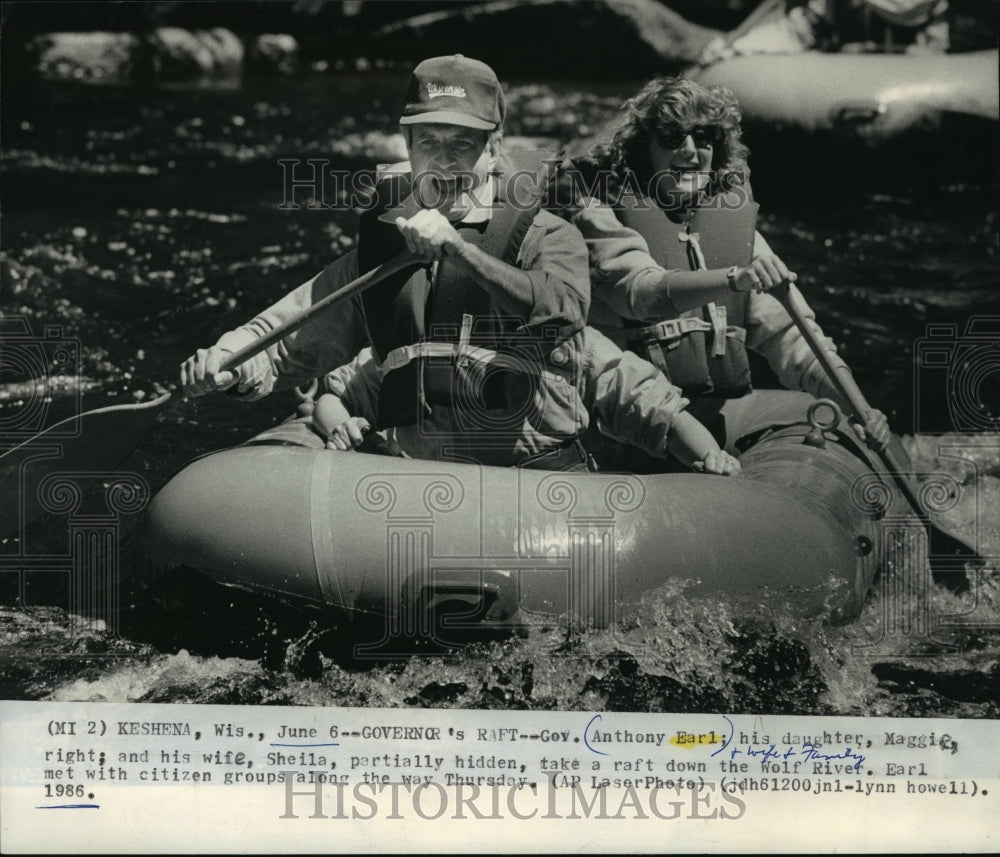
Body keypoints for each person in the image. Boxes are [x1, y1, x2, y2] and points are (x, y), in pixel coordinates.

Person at [181, 56, 740, 475]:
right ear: (407, 145)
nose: (444, 160)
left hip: (535, 490)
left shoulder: (550, 235)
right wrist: (230, 365)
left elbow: (562, 312)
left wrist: (460, 252)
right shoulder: (379, 253)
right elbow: (283, 342)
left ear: (494, 149)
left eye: (463, 144)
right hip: (419, 485)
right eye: (429, 141)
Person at [562, 76, 890, 463]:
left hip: (704, 431)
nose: (690, 150)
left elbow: (794, 340)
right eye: (671, 136)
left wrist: (856, 407)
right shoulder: (599, 216)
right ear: (642, 150)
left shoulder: (729, 230)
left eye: (704, 138)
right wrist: (735, 278)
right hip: (622, 437)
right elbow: (640, 293)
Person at [698, 0, 949, 63]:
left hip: (906, 80)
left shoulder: (931, 8)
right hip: (840, 80)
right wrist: (738, 47)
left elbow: (935, 50)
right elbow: (799, 30)